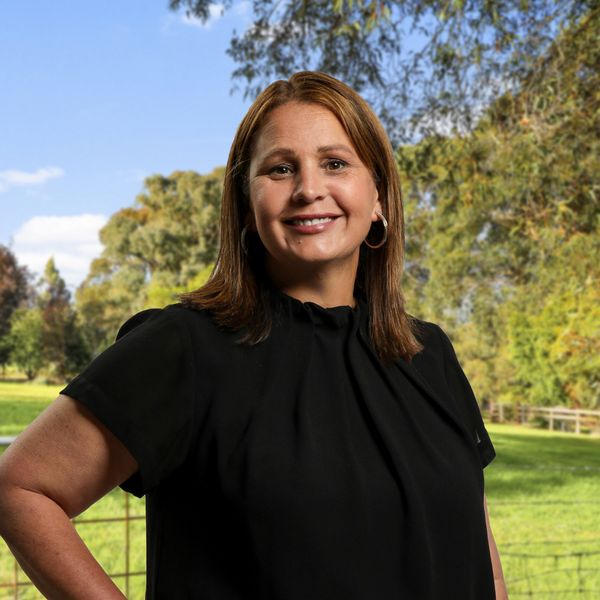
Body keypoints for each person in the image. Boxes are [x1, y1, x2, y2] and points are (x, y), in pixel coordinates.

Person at [0, 71, 508, 599]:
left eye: (335, 163)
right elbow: (21, 487)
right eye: (281, 169)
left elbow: (479, 552)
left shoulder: (429, 354)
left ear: (377, 195)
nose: (309, 189)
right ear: (246, 205)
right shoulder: (184, 348)